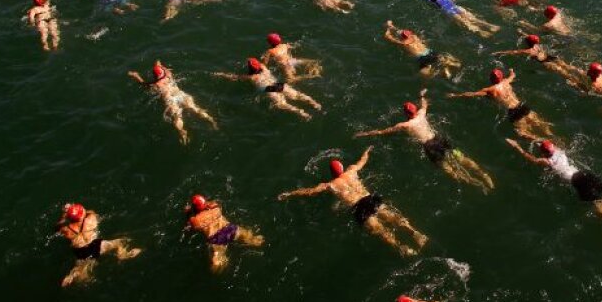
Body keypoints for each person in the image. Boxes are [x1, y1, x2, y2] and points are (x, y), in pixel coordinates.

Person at [279, 147, 428, 256]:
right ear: (342, 168)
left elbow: (309, 191)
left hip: (358, 207)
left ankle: (401, 247)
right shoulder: (351, 171)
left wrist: (289, 194)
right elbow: (362, 161)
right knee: (393, 216)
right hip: (369, 198)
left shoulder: (329, 185)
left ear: (331, 173)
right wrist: (367, 151)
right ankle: (416, 234)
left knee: (381, 231)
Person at [504, 138, 602, 242]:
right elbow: (547, 143)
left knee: (600, 206)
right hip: (584, 174)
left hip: (577, 182)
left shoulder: (546, 161)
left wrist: (516, 146)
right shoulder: (559, 150)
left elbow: (528, 157)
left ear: (544, 153)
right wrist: (536, 139)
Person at [355, 88, 494, 191]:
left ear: (405, 114)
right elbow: (425, 104)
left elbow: (383, 131)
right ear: (415, 110)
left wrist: (365, 133)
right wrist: (422, 95)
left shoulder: (405, 125)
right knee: (460, 156)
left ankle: (472, 182)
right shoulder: (422, 114)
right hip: (439, 138)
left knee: (446, 167)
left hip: (429, 147)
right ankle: (484, 175)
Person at [449, 68, 555, 140]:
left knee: (523, 133)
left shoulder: (490, 89)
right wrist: (511, 71)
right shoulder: (506, 81)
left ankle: (540, 140)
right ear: (501, 76)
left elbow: (472, 94)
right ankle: (552, 137)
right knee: (541, 123)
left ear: (491, 79)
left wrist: (455, 95)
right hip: (522, 106)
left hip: (513, 112)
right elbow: (513, 75)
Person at [127, 61, 217, 143]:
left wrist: (136, 76)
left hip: (170, 100)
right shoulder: (169, 75)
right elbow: (160, 66)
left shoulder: (156, 85)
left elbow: (143, 85)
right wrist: (159, 64)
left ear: (154, 77)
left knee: (177, 117)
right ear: (163, 71)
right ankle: (211, 121)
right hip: (181, 95)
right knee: (196, 108)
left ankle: (183, 133)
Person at [54, 203, 141, 287]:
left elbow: (57, 226)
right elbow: (91, 212)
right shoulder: (91, 218)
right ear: (82, 214)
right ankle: (123, 254)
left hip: (81, 252)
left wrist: (65, 214)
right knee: (119, 243)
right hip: (96, 245)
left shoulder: (66, 229)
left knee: (82, 272)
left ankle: (72, 275)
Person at [214, 57, 322, 120]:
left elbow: (234, 77)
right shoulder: (264, 68)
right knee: (297, 95)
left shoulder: (251, 77)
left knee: (283, 104)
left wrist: (220, 74)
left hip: (269, 89)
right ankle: (315, 104)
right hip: (277, 84)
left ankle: (302, 113)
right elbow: (261, 63)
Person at [186, 194, 265, 273]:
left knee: (217, 263)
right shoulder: (215, 207)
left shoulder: (196, 220)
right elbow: (212, 203)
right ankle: (256, 241)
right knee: (252, 239)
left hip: (217, 239)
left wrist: (189, 211)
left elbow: (190, 226)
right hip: (231, 229)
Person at [414, 0, 500, 37]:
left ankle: (481, 31)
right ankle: (490, 26)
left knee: (465, 23)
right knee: (472, 19)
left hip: (450, 12)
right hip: (456, 7)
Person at [383, 20, 462, 78]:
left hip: (423, 58)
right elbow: (401, 32)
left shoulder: (403, 43)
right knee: (440, 59)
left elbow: (388, 37)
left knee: (424, 74)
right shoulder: (414, 36)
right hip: (430, 52)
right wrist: (392, 25)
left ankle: (441, 73)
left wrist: (388, 29)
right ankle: (453, 63)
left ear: (402, 37)